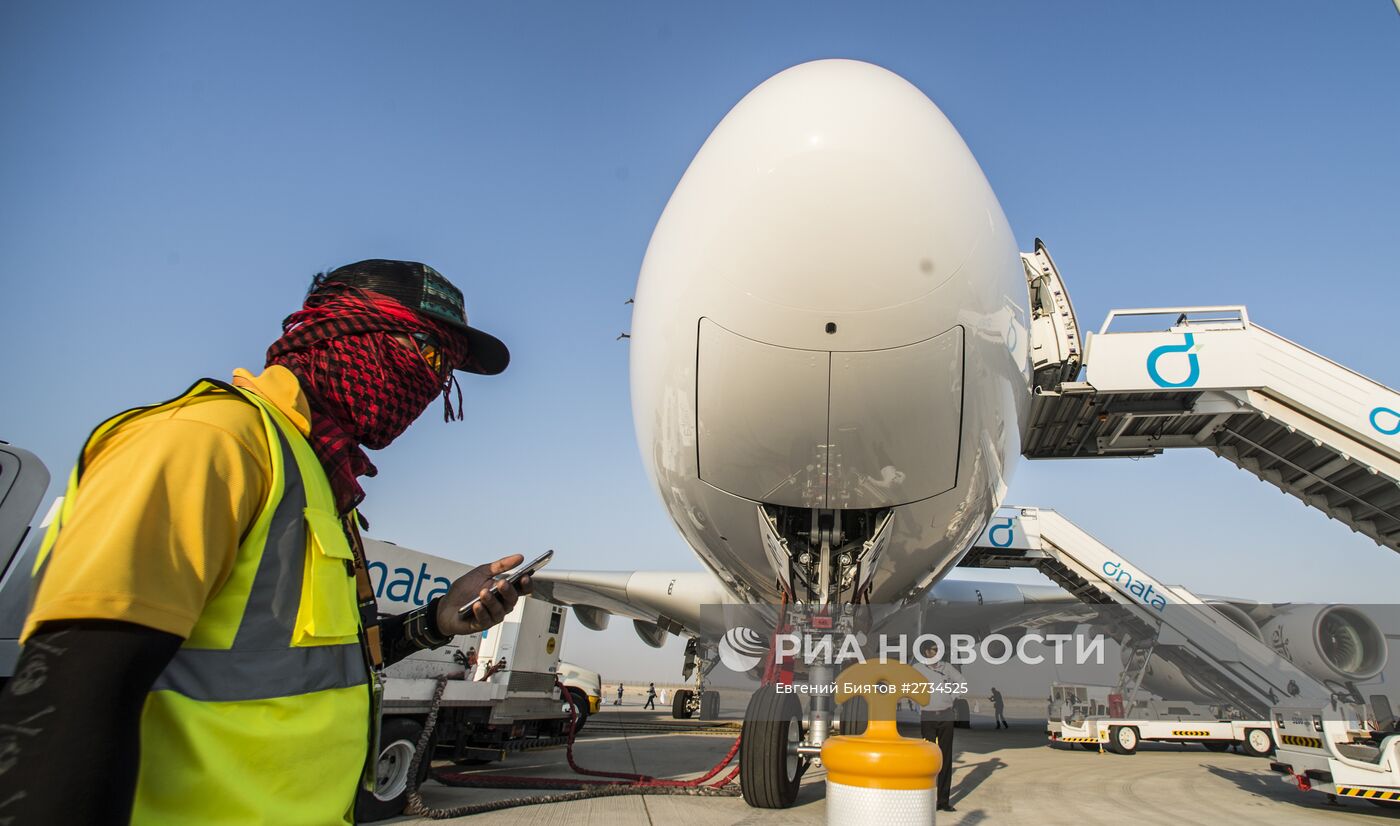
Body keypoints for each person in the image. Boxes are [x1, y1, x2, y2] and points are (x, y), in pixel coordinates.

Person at [0, 259, 530, 826]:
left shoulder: (317, 480)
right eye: (429, 354)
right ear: (349, 330)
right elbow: (67, 709)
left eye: (444, 371)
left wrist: (438, 622)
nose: (430, 385)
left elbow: (312, 663)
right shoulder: (209, 444)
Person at [914, 640, 960, 813]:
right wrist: (916, 699)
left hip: (946, 715)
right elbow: (906, 682)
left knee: (945, 759)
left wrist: (952, 697)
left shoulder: (946, 667)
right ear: (926, 652)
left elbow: (961, 681)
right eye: (934, 649)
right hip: (928, 717)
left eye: (938, 649)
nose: (937, 652)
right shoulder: (918, 668)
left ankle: (943, 801)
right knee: (927, 760)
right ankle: (926, 800)